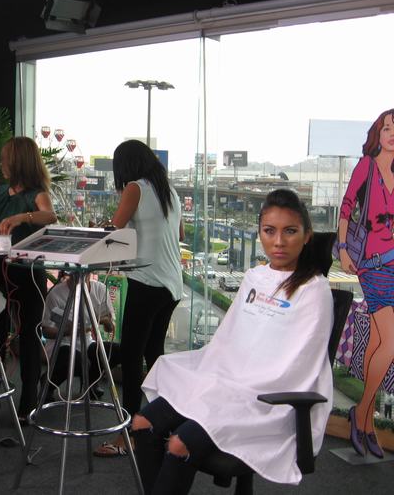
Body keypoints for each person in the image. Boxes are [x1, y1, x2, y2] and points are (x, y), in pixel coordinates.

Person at [131, 189, 334, 493]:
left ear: (307, 236)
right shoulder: (254, 278)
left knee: (179, 444)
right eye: (269, 231)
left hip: (263, 398)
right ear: (259, 233)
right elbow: (228, 340)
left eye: (290, 231)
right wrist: (217, 374)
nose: (279, 241)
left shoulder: (313, 290)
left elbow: (301, 363)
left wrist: (243, 384)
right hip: (224, 382)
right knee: (141, 425)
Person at [95, 139, 184, 457]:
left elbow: (114, 230)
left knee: (132, 361)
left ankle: (128, 437)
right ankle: (166, 428)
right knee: (155, 358)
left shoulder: (135, 188)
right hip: (171, 285)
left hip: (147, 281)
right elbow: (179, 234)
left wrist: (101, 228)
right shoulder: (168, 191)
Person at [0, 136, 57, 425]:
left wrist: (21, 218)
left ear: (18, 163)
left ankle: (28, 403)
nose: (1, 165)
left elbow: (49, 216)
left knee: (29, 338)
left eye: (5, 160)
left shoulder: (38, 194)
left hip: (28, 273)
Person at [339, 108, 394, 459]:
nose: (392, 135)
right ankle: (361, 414)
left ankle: (366, 422)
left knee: (378, 342)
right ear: (379, 133)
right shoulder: (367, 166)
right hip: (372, 265)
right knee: (391, 341)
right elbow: (346, 207)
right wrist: (344, 248)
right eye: (387, 128)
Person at [41, 273, 121, 401]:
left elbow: (110, 328)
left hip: (87, 342)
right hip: (61, 344)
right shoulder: (56, 293)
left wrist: (104, 320)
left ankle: (91, 383)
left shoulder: (100, 289)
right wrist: (70, 330)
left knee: (117, 351)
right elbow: (46, 331)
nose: (81, 276)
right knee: (78, 360)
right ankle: (48, 383)